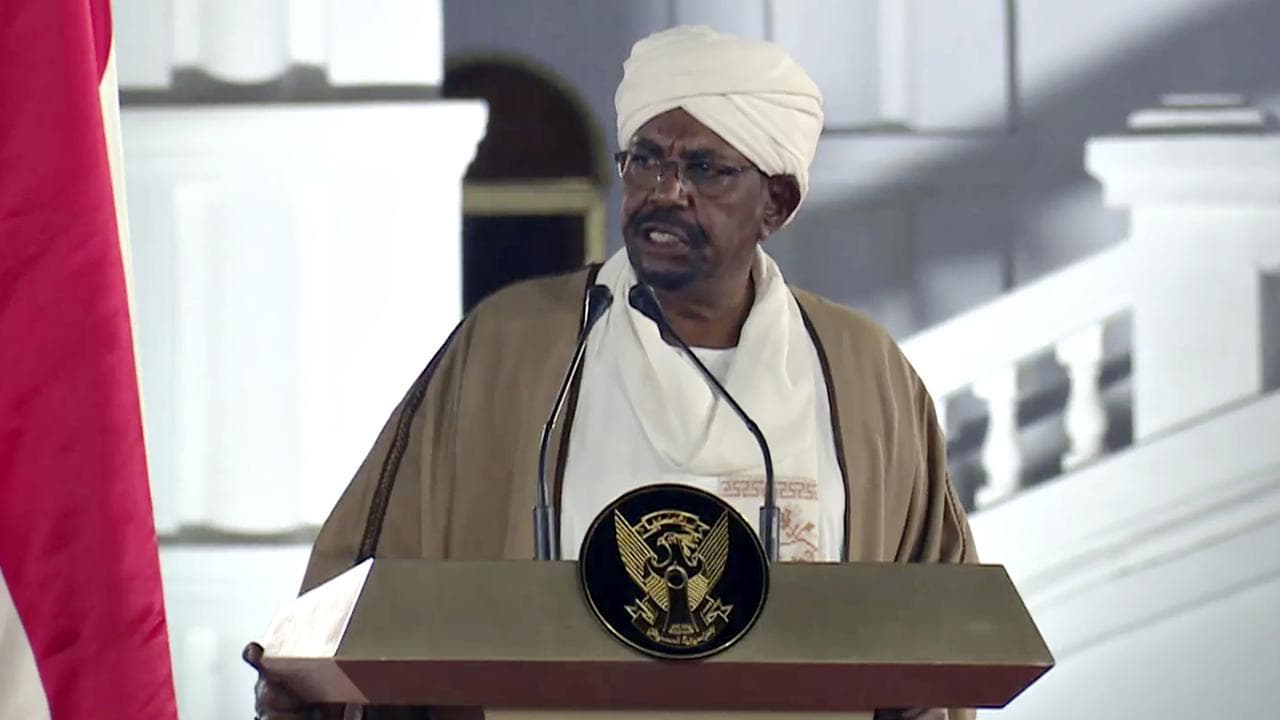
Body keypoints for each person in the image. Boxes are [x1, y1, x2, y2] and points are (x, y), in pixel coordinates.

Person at [248, 25, 974, 720]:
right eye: (646, 161)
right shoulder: (517, 348)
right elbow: (371, 570)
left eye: (705, 169)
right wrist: (313, 688)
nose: (667, 191)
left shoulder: (860, 374)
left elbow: (940, 618)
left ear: (776, 204)